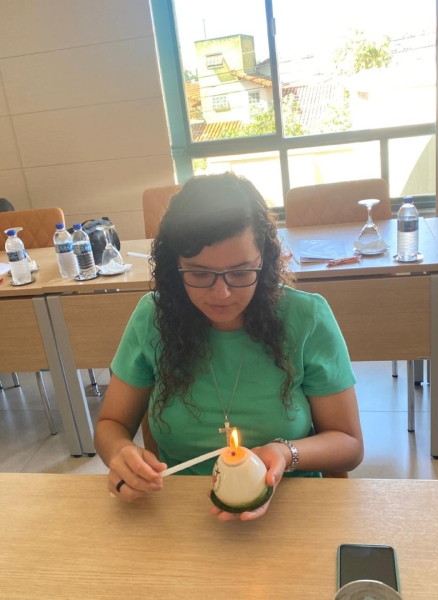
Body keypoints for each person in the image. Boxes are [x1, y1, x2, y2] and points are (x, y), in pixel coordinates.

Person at [94, 172, 363, 521]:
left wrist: (285, 453)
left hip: (290, 507)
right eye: (199, 274)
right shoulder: (153, 318)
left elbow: (349, 444)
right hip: (182, 510)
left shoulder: (306, 317)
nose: (221, 293)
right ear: (175, 266)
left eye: (240, 272)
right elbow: (111, 424)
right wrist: (120, 453)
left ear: (264, 259)